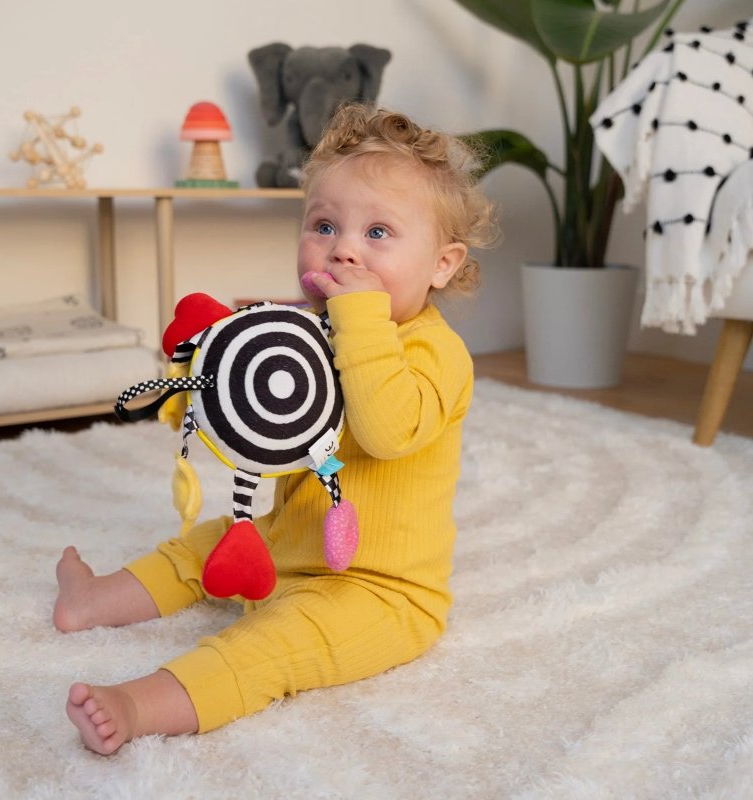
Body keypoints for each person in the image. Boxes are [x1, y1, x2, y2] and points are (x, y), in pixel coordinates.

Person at [53, 104, 497, 755]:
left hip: (378, 591)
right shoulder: (313, 333)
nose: (343, 248)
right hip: (286, 543)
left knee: (269, 646)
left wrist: (360, 317)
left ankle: (138, 704)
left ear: (442, 264)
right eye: (324, 225)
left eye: (378, 232)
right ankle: (93, 600)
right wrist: (207, 387)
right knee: (202, 546)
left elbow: (387, 429)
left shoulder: (437, 353)